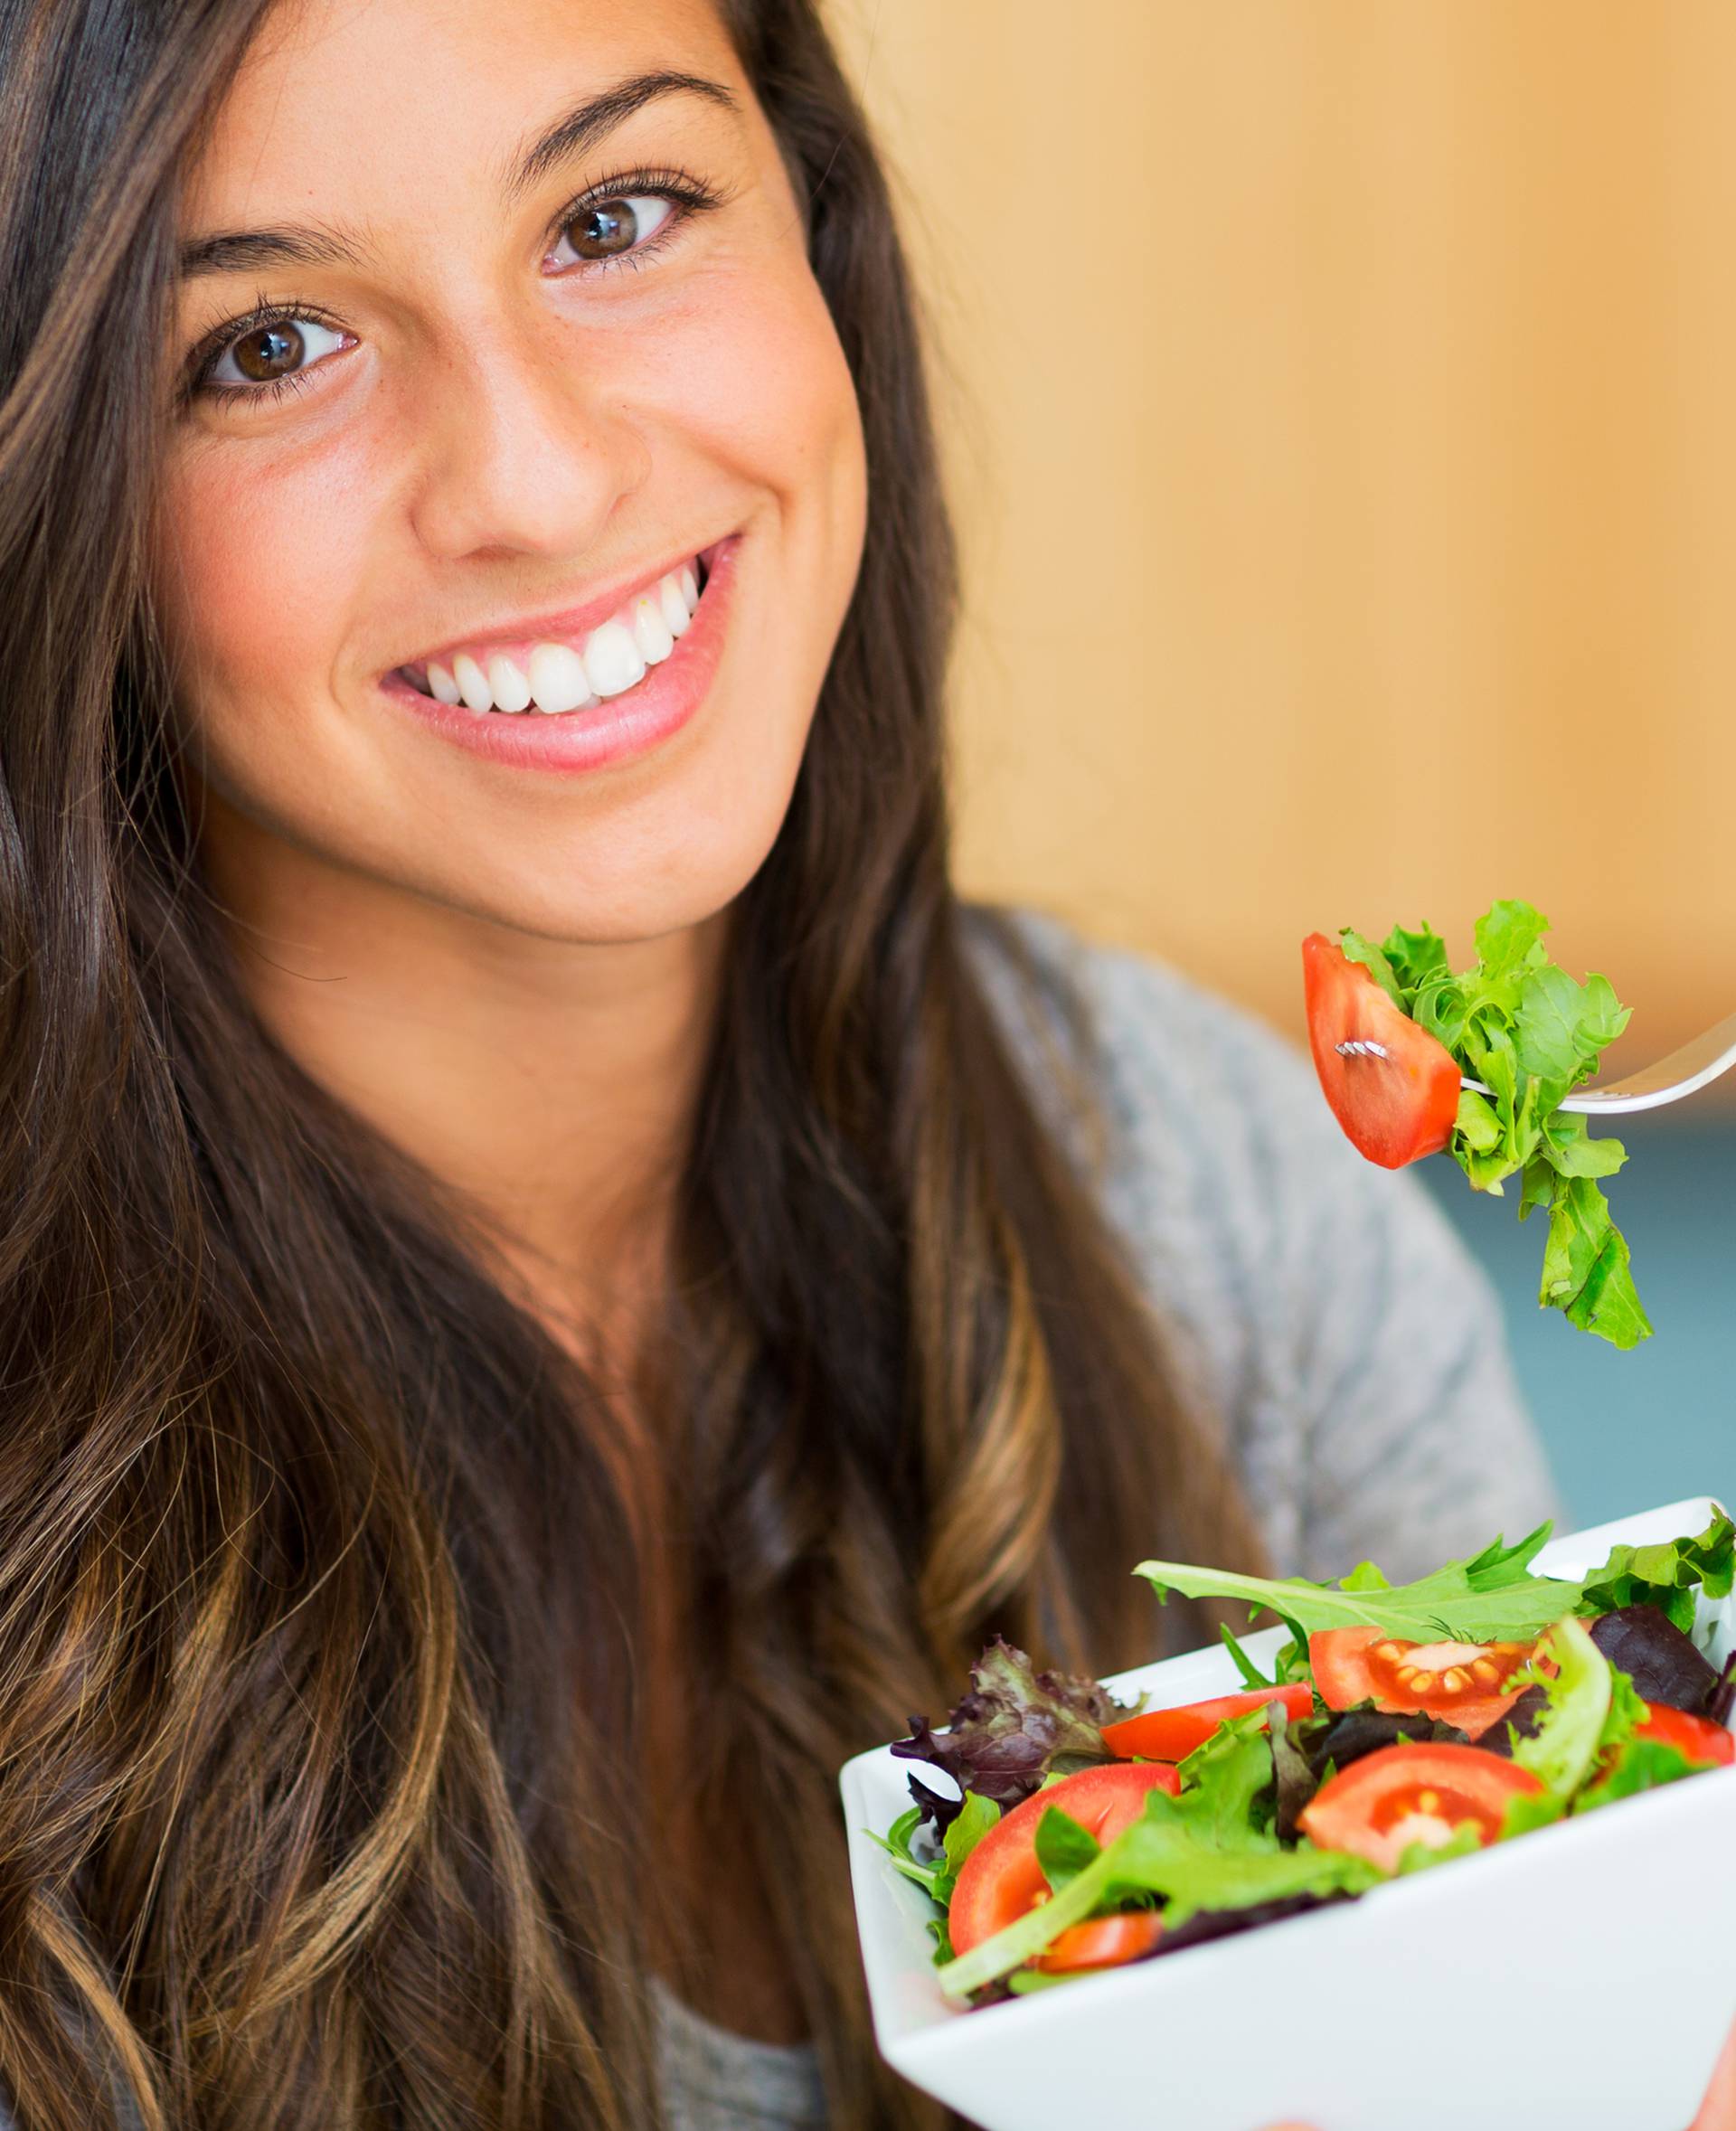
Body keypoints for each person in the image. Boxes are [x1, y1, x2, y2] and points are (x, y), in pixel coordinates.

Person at [0, 0, 1721, 2125]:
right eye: (265, 349)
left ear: (817, 230)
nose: (537, 479)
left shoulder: (1202, 1188)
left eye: (618, 214)